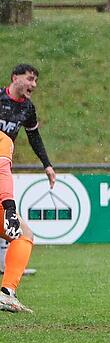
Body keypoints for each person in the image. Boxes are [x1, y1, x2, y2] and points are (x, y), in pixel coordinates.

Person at [0, 64, 54, 313]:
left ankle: (7, 292)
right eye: (30, 79)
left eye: (36, 81)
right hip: (2, 170)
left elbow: (34, 137)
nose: (33, 85)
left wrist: (47, 164)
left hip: (3, 170)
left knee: (22, 233)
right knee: (21, 232)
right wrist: (9, 206)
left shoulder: (27, 109)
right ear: (15, 78)